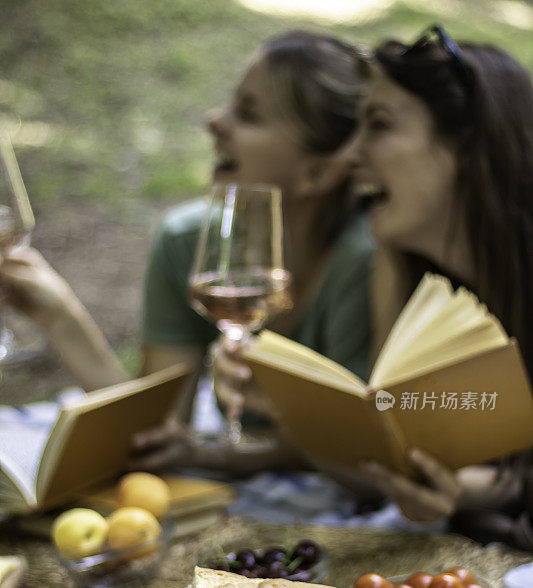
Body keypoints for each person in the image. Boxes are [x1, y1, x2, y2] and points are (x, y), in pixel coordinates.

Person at [0, 31, 377, 476]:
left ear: (318, 171)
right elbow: (157, 431)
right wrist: (60, 317)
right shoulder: (188, 242)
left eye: (248, 114)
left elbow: (363, 447)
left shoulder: (365, 261)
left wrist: (218, 453)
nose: (214, 121)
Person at [215, 26, 533, 537]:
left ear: (468, 145)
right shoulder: (398, 267)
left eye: (379, 126)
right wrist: (290, 404)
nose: (349, 157)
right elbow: (398, 459)